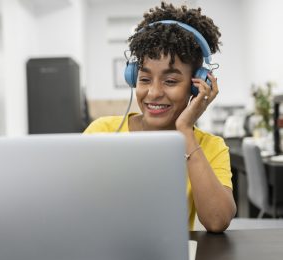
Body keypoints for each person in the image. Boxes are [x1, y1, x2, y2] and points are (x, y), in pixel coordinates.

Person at [84, 1, 236, 232]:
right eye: (144, 79)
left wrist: (185, 129)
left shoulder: (210, 147)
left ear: (196, 86)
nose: (154, 93)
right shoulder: (103, 131)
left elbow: (217, 221)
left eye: (171, 81)